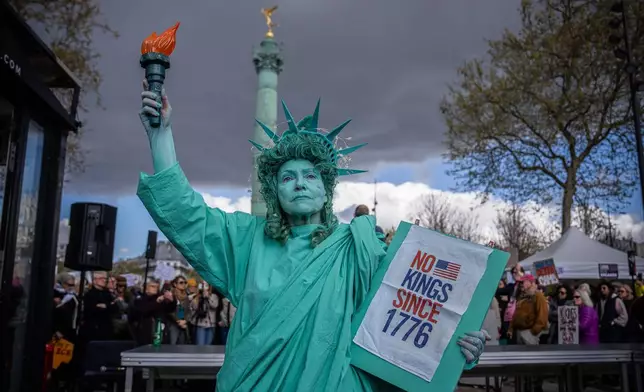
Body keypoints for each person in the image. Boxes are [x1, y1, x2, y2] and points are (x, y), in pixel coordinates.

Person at [136, 82, 489, 391]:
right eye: (288, 177)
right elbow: (186, 214)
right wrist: (161, 136)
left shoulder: (361, 248)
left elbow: (410, 318)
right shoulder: (245, 240)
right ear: (276, 192)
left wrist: (458, 342)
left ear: (326, 189)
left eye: (310, 175)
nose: (300, 182)